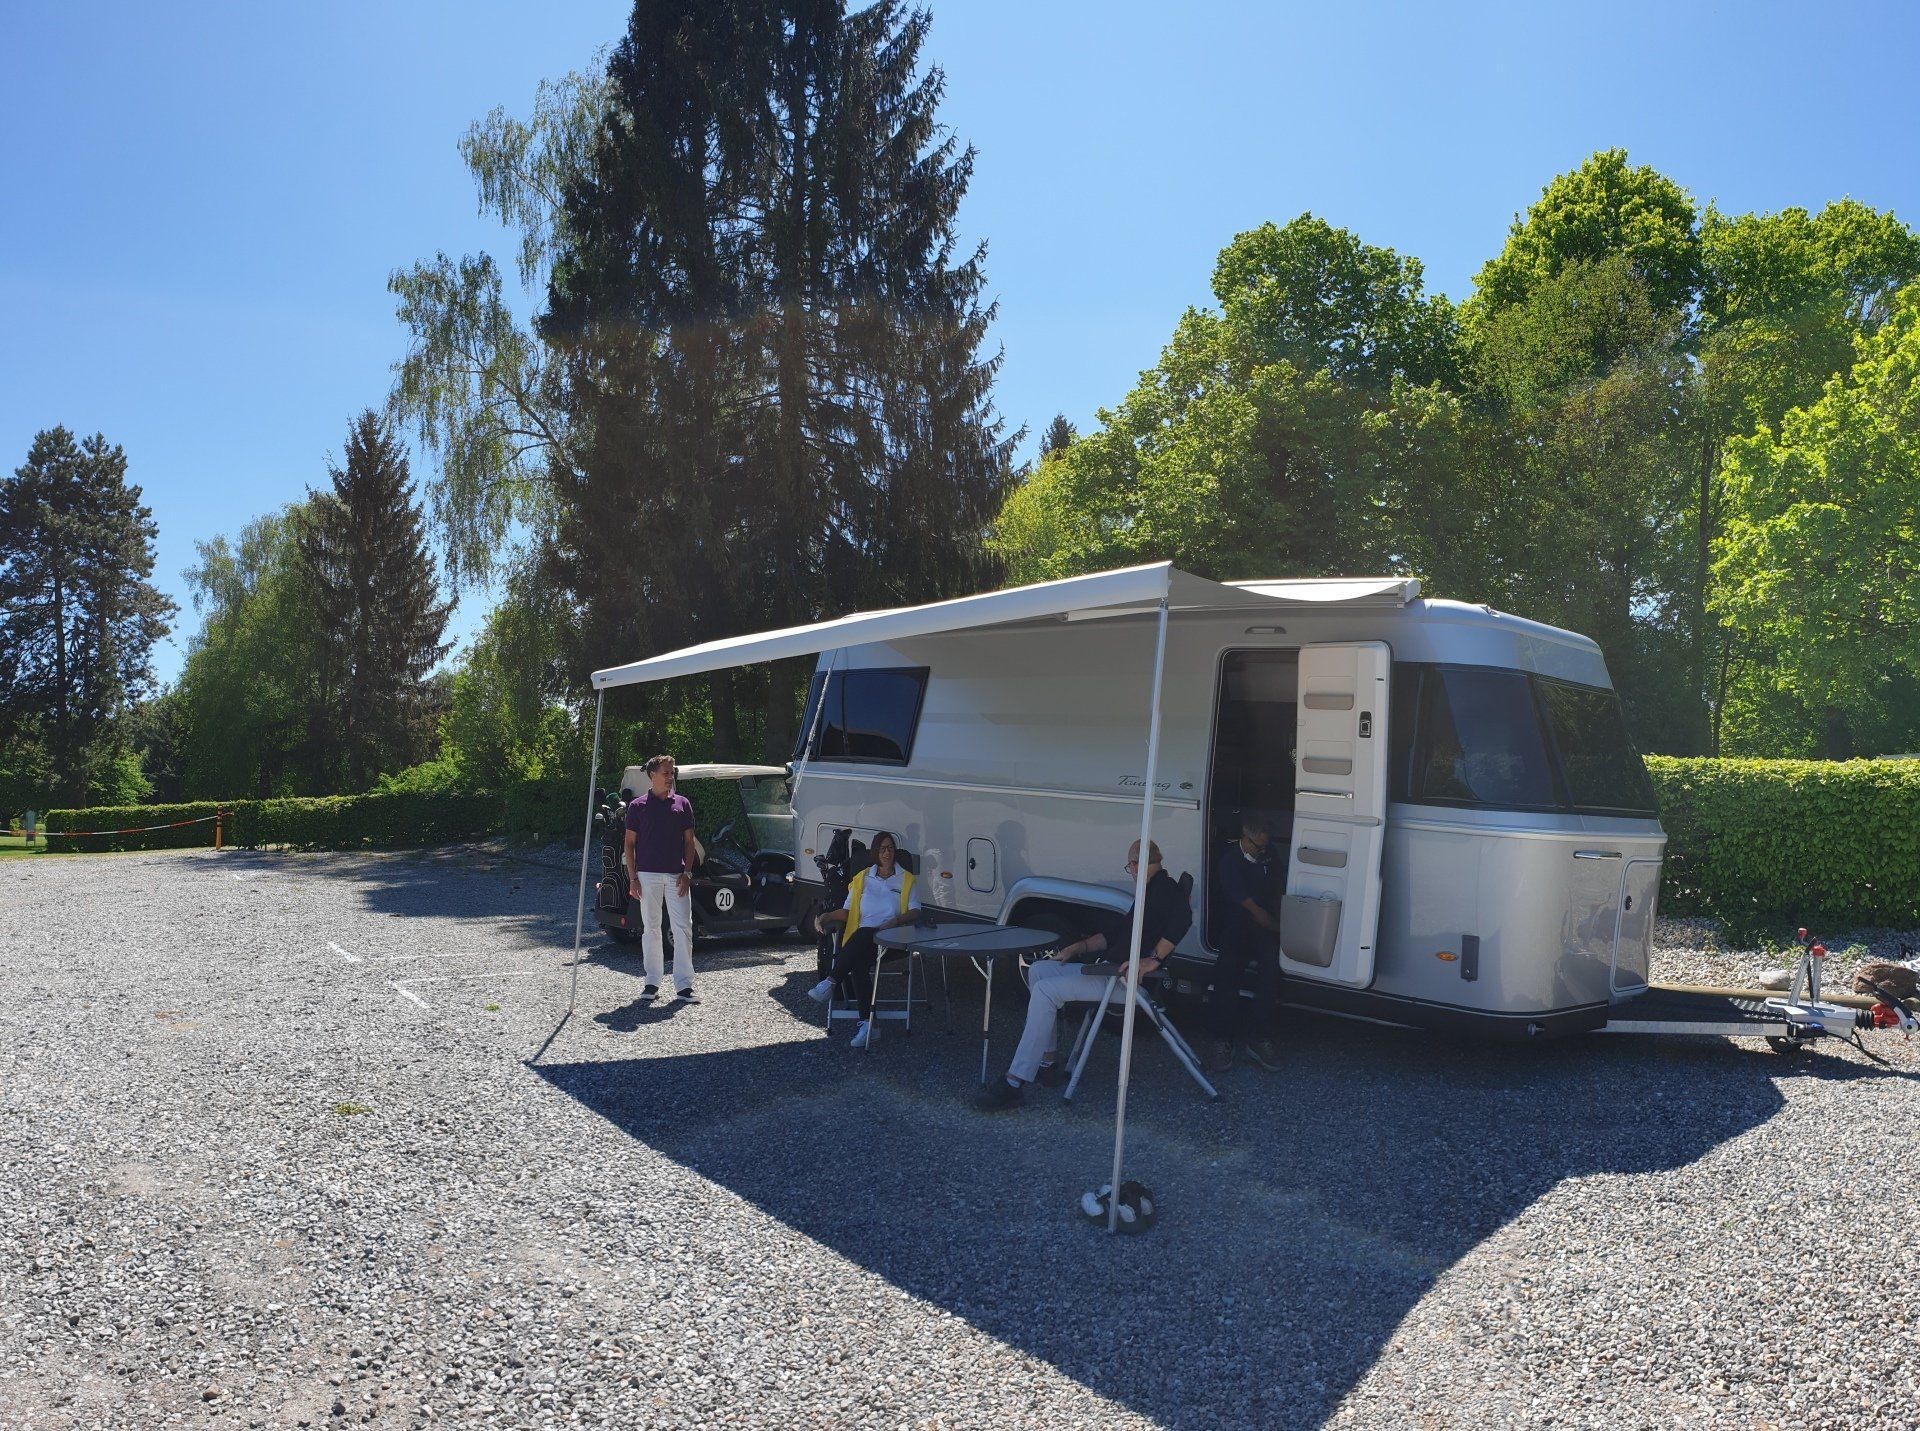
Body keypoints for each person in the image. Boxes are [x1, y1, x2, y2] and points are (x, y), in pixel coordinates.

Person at [976, 839, 1192, 1110]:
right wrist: (1079, 947)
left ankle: (1014, 1081)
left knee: (1045, 991)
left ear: (1137, 864)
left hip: (1122, 979)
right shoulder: (1150, 890)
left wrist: (1153, 960)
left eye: (1130, 867)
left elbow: (1184, 918)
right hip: (1110, 972)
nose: (1131, 872)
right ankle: (1047, 1062)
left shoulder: (1164, 891)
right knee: (1039, 970)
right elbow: (1115, 933)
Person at [807, 831, 920, 1048]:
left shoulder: (906, 879)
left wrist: (895, 921)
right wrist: (826, 916)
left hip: (892, 938)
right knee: (859, 960)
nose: (887, 853)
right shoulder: (862, 879)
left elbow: (916, 911)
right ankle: (870, 1025)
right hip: (865, 941)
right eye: (882, 849)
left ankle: (831, 981)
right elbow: (848, 911)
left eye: (890, 848)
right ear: (874, 852)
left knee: (862, 934)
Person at [1205, 814, 1284, 1073]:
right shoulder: (1230, 862)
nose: (1262, 850)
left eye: (1265, 845)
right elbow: (1253, 910)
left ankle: (1259, 1037)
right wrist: (1282, 931)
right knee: (1226, 975)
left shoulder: (1268, 854)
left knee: (1272, 971)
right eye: (1258, 846)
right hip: (1239, 923)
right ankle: (1221, 1040)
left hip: (1262, 925)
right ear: (1244, 838)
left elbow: (1277, 889)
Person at [624, 754, 698, 1001]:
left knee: (683, 928)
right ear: (652, 776)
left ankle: (684, 985)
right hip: (647, 875)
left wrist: (687, 872)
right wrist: (632, 878)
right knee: (652, 928)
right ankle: (652, 982)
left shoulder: (683, 804)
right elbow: (629, 845)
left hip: (677, 875)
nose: (670, 777)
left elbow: (689, 842)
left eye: (672, 772)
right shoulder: (637, 807)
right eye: (666, 773)